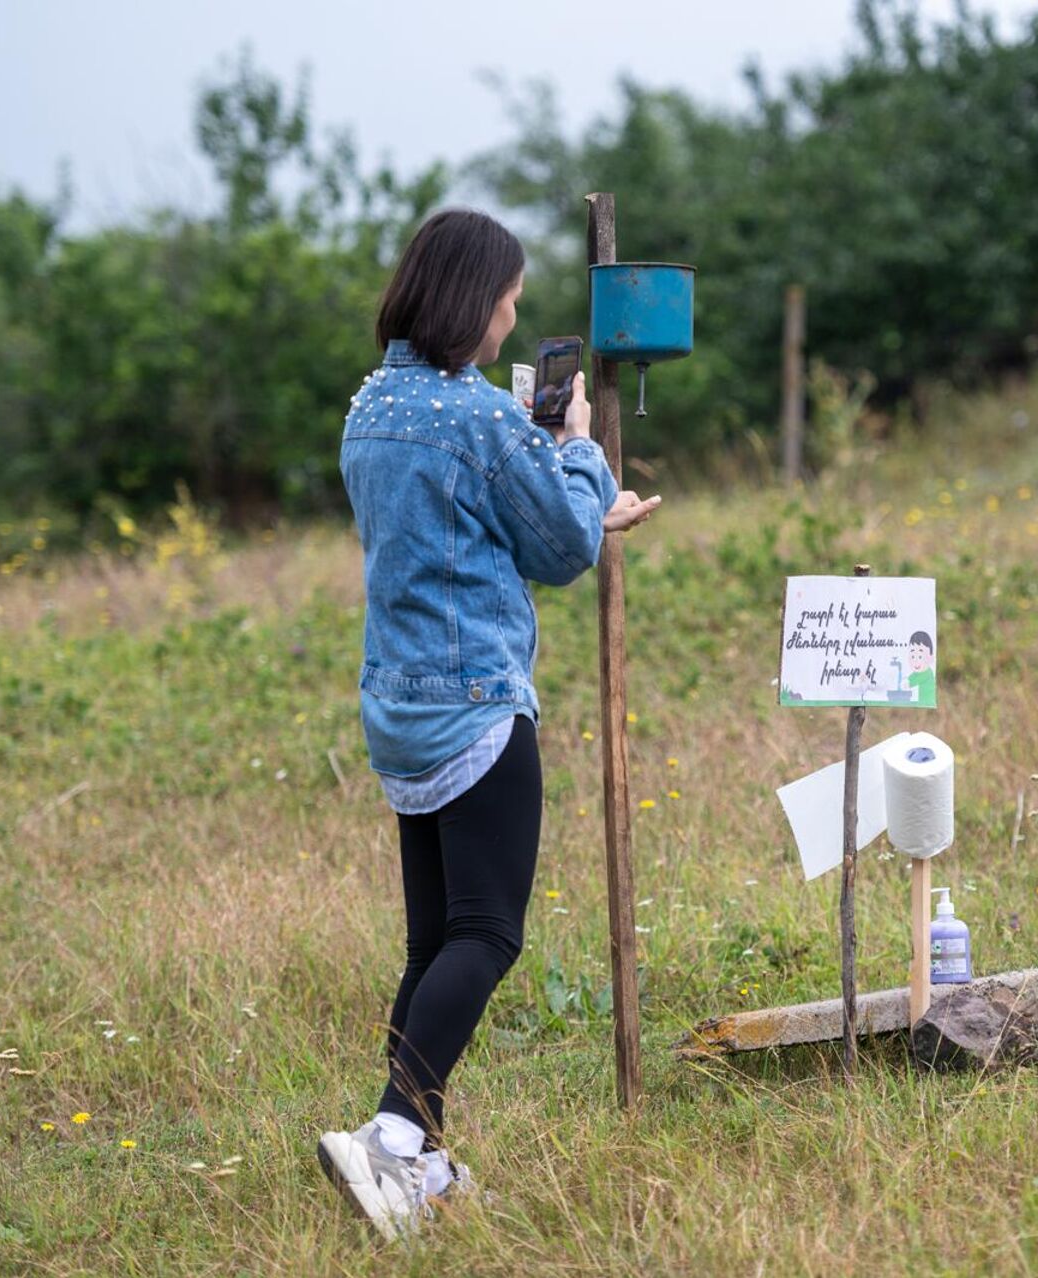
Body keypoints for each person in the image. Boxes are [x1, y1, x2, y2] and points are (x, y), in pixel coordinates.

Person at [316, 208, 661, 1240]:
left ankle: (413, 1156)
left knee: (436, 938)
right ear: (476, 297)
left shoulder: (372, 404)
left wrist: (543, 480)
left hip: (399, 703)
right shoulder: (477, 416)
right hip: (477, 705)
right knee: (488, 934)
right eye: (508, 298)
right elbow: (557, 546)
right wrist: (579, 453)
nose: (514, 320)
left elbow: (457, 526)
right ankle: (388, 1135)